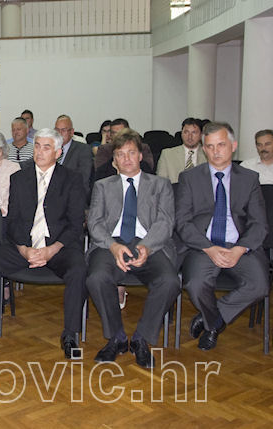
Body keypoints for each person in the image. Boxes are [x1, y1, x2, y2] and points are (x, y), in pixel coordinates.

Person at [0, 128, 88, 359]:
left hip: (58, 247)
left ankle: (70, 334)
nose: (39, 152)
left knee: (78, 269)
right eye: (37, 146)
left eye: (46, 147)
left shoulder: (72, 179)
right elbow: (12, 221)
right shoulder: (19, 177)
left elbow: (75, 226)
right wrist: (23, 249)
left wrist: (51, 250)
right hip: (25, 245)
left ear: (58, 153)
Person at [85, 131, 179, 368]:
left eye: (131, 153)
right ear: (114, 160)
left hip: (150, 244)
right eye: (120, 154)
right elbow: (94, 224)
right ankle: (116, 337)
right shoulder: (102, 186)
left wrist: (146, 246)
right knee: (97, 278)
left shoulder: (160, 185)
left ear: (140, 156)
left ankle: (141, 339)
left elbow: (165, 222)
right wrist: (114, 246)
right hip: (110, 244)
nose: (126, 159)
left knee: (169, 281)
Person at [177, 121, 268, 351]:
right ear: (204, 149)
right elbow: (182, 222)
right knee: (196, 284)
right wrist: (208, 247)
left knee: (259, 285)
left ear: (233, 146)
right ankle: (215, 324)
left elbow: (259, 224)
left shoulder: (249, 179)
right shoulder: (189, 178)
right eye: (209, 146)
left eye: (221, 145)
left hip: (239, 245)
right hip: (203, 245)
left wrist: (239, 249)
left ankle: (211, 321)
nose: (215, 151)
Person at [156, 117, 207, 184]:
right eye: (186, 132)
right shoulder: (167, 154)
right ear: (181, 134)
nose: (189, 136)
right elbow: (160, 183)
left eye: (194, 132)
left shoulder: (207, 155)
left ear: (201, 135)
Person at [52, 115, 94, 194]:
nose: (59, 133)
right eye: (57, 130)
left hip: (72, 193)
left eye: (63, 130)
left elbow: (83, 178)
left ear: (71, 132)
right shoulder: (50, 149)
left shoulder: (83, 149)